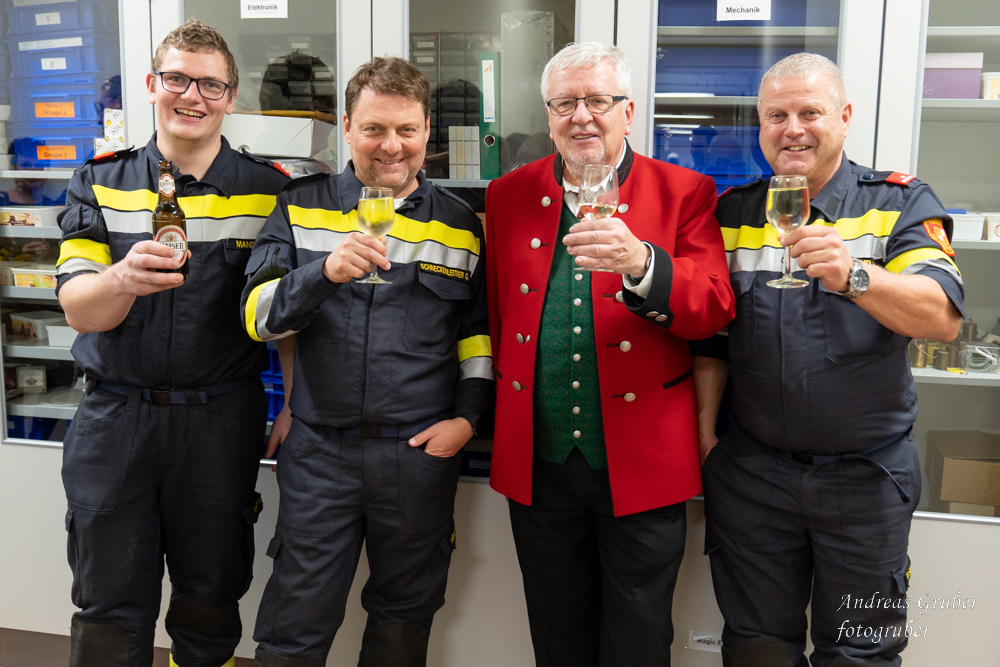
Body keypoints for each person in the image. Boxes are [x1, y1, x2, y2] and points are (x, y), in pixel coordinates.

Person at [695, 52, 964, 667]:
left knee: (859, 655)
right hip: (754, 477)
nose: (792, 129)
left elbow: (942, 317)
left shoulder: (899, 202)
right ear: (760, 126)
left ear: (843, 117)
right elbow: (711, 339)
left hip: (866, 480)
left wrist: (855, 277)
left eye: (810, 113)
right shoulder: (733, 213)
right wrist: (706, 435)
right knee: (756, 650)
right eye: (776, 116)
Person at [484, 42, 734, 667]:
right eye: (564, 103)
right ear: (548, 115)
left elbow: (714, 308)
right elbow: (495, 316)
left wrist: (643, 263)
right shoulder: (508, 194)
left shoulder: (684, 191)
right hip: (540, 462)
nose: (581, 117)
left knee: (638, 638)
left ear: (629, 111)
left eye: (598, 100)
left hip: (644, 457)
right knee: (556, 633)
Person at [241, 56, 493, 667]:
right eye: (375, 128)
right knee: (293, 624)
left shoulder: (460, 224)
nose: (392, 146)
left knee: (403, 621)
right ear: (348, 127)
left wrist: (467, 420)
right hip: (319, 453)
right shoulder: (299, 206)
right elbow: (256, 317)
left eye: (407, 130)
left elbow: (476, 339)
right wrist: (322, 273)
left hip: (416, 457)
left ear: (427, 131)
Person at [55, 20, 289, 667]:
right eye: (178, 79)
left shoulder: (269, 190)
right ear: (152, 85)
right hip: (115, 418)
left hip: (220, 421)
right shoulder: (99, 181)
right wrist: (121, 279)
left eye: (210, 84)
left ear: (230, 97)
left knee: (210, 600)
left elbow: (289, 317)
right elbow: (77, 308)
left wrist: (294, 403)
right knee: (106, 604)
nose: (192, 95)